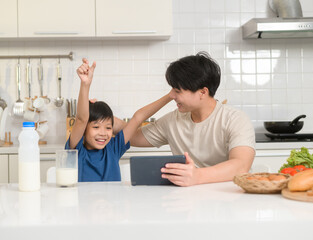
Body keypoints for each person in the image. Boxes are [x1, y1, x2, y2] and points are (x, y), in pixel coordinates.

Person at [128, 52, 256, 186]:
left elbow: (241, 166)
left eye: (177, 91)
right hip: (187, 199)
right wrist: (106, 123)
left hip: (230, 198)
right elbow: (131, 137)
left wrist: (197, 176)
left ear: (202, 92)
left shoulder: (235, 119)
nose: (171, 95)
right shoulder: (173, 120)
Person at [66, 58, 172, 182]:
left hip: (114, 201)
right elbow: (81, 119)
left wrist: (170, 96)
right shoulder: (77, 151)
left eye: (108, 127)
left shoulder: (113, 148)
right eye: (96, 127)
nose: (103, 133)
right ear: (84, 130)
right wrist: (85, 84)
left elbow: (138, 118)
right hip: (84, 202)